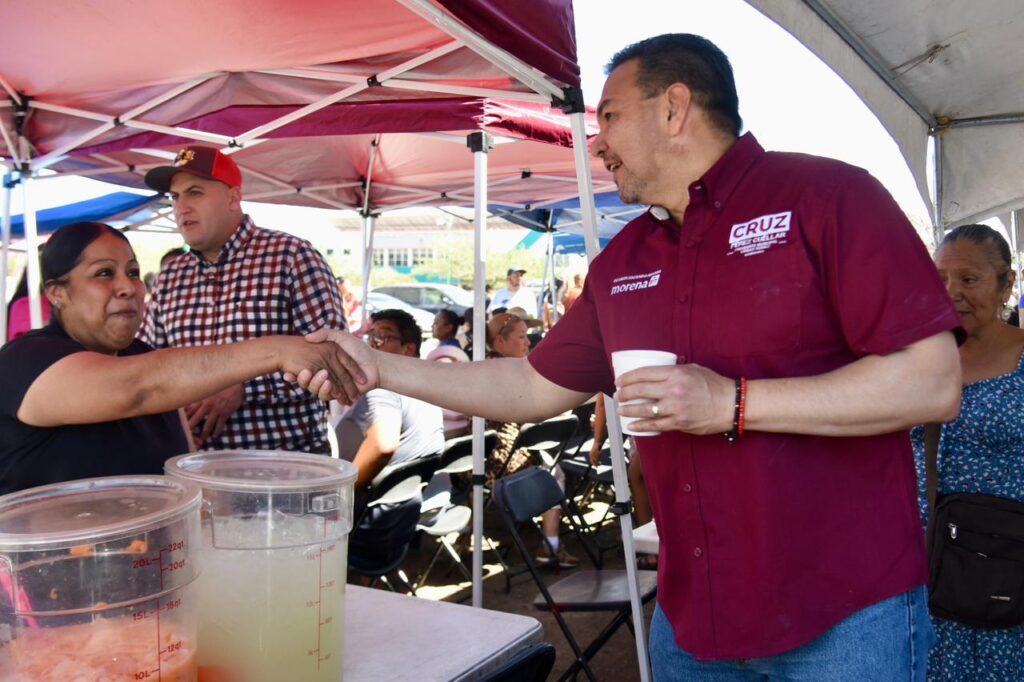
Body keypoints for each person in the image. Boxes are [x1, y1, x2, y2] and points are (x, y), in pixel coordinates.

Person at [299, 33, 962, 679]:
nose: (597, 142)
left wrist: (733, 403)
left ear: (674, 108)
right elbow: (531, 386)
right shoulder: (624, 261)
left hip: (843, 612)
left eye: (610, 116)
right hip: (694, 618)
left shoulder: (829, 198)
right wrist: (381, 368)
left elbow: (932, 382)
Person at [0, 222, 350, 495]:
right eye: (104, 273)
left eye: (133, 273)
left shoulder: (145, 357)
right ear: (57, 293)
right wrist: (277, 351)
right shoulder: (26, 361)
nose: (127, 287)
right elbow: (138, 387)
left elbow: (184, 468)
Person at [142, 145, 345, 453]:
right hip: (195, 465)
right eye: (174, 197)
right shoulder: (172, 275)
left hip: (285, 464)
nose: (181, 207)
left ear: (233, 197)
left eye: (194, 192)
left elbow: (333, 358)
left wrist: (246, 388)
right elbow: (151, 366)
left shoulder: (291, 257)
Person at [912, 224, 1024, 681]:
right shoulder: (915, 358)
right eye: (939, 278)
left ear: (1006, 285)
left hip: (1003, 571)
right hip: (924, 569)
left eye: (969, 279)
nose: (951, 292)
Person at [484, 312, 577, 568]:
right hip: (498, 463)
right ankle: (551, 545)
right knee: (553, 471)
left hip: (496, 458)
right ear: (500, 342)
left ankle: (546, 542)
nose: (528, 342)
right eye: (522, 337)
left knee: (551, 464)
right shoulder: (507, 372)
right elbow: (536, 410)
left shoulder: (492, 367)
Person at [335, 309, 444, 491]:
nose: (372, 343)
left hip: (369, 501)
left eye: (382, 337)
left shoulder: (384, 389)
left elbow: (383, 445)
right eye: (371, 336)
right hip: (405, 497)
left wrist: (344, 493)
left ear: (408, 349)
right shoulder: (425, 384)